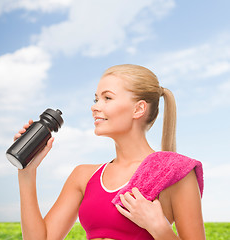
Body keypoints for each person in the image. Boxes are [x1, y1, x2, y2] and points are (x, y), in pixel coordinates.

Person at [15, 64, 205, 240]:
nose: (95, 106)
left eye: (107, 98)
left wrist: (159, 228)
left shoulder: (174, 173)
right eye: (96, 99)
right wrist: (27, 173)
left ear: (138, 109)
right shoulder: (83, 176)